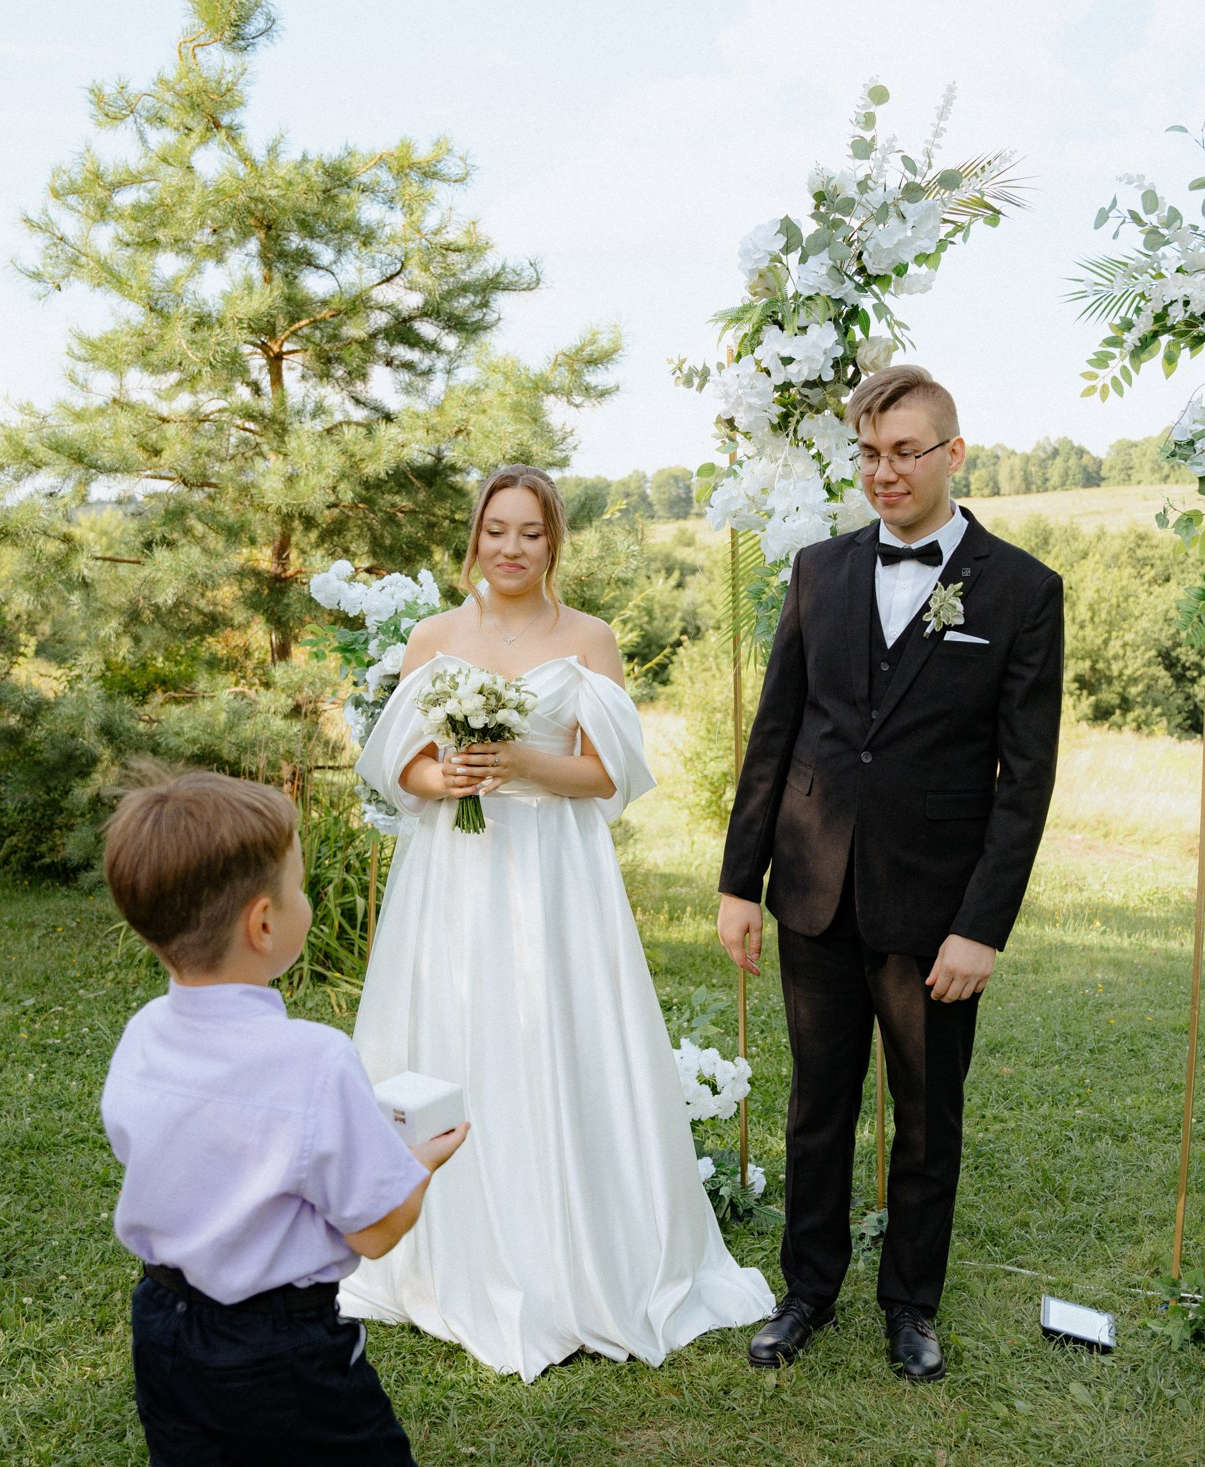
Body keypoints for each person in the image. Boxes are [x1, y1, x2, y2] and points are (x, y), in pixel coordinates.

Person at [340, 465, 773, 1381]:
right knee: (457, 1028)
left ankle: (578, 1245)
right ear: (475, 537)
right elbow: (399, 763)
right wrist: (444, 777)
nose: (511, 547)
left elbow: (610, 773)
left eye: (530, 532)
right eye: (496, 529)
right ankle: (443, 1244)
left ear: (553, 542)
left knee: (557, 1032)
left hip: (555, 873)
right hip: (454, 871)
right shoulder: (434, 636)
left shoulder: (587, 639)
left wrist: (524, 763)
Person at [716, 365, 1065, 1382]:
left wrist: (981, 927)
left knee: (925, 1112)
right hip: (813, 888)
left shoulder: (1022, 590)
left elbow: (1024, 782)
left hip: (935, 905)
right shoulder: (816, 570)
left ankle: (911, 1304)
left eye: (906, 451)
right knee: (816, 1103)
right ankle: (806, 1290)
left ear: (954, 453)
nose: (885, 472)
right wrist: (741, 881)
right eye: (869, 453)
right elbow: (774, 735)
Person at [99, 769, 470, 1466]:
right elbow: (375, 1229)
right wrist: (416, 1164)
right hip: (281, 1349)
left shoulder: (143, 1033)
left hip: (162, 1325)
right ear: (264, 923)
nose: (306, 898)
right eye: (299, 886)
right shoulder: (315, 1060)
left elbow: (152, 1146)